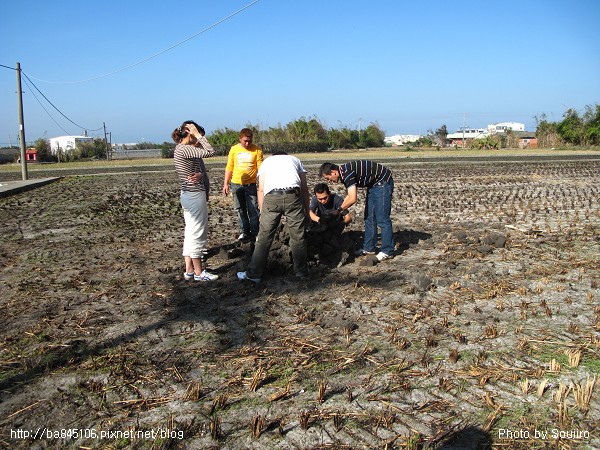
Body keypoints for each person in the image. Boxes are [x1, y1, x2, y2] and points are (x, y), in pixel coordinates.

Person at [237, 152, 310, 283]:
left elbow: (260, 189)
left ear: (274, 156)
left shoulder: (267, 162)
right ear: (285, 155)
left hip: (272, 197)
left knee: (264, 237)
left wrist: (261, 211)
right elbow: (304, 188)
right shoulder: (295, 160)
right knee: (298, 236)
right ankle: (301, 271)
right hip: (293, 196)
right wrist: (307, 210)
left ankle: (254, 274)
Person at [319, 160, 394, 261]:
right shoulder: (344, 173)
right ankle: (369, 248)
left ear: (333, 172)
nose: (329, 181)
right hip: (373, 184)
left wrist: (338, 210)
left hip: (383, 182)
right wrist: (338, 210)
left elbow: (353, 198)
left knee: (382, 218)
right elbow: (348, 196)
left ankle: (387, 251)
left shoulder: (346, 174)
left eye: (328, 178)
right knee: (369, 217)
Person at [172, 120, 219, 281]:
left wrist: (200, 173)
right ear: (189, 132)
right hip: (193, 195)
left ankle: (189, 270)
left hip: (188, 194)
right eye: (197, 133)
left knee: (190, 232)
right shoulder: (185, 149)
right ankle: (199, 272)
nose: (199, 138)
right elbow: (211, 151)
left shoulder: (182, 150)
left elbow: (198, 167)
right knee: (198, 232)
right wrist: (198, 135)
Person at [223, 128, 263, 241]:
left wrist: (261, 184)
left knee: (253, 209)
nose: (247, 143)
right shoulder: (234, 149)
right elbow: (229, 166)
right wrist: (226, 183)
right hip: (236, 184)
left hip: (251, 184)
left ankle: (255, 233)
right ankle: (244, 232)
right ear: (240, 139)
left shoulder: (257, 150)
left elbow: (260, 168)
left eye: (249, 141)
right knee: (240, 209)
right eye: (245, 141)